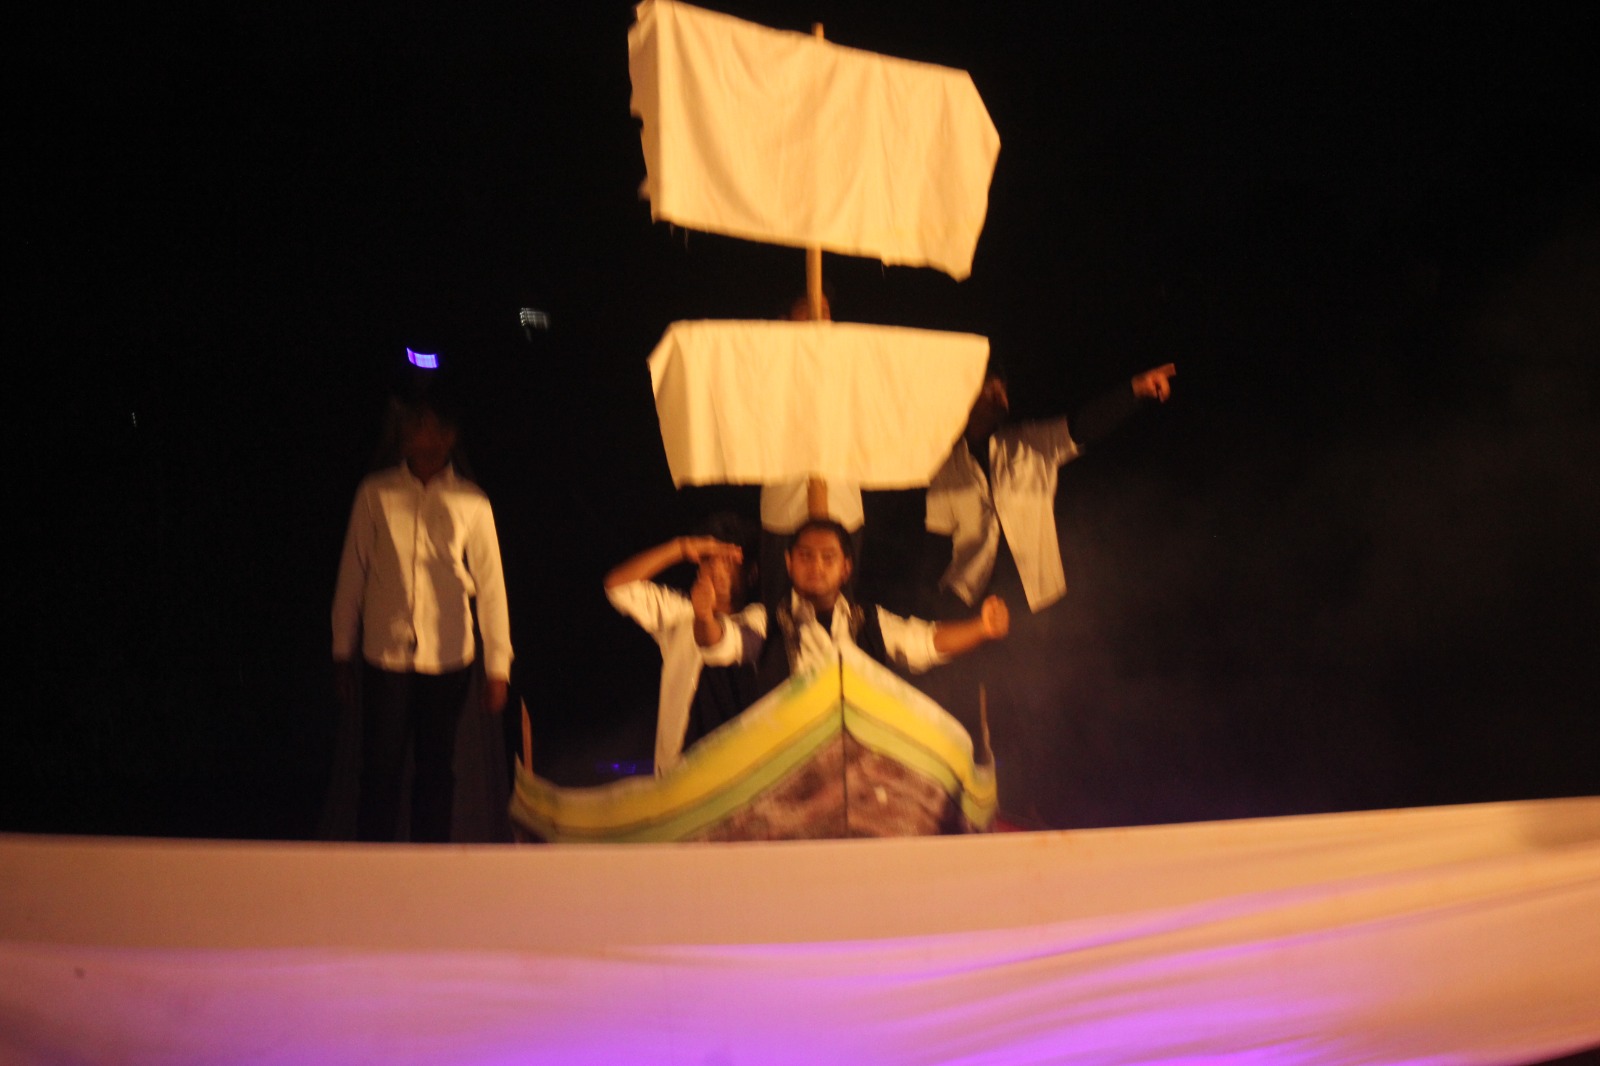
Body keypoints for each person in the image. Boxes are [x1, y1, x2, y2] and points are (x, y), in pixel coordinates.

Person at [331, 397, 512, 842]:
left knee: (436, 769)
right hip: (385, 653)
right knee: (380, 768)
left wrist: (498, 666)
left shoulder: (471, 501)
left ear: (450, 436)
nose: (426, 437)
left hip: (448, 653)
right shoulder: (376, 492)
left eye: (435, 428)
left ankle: (430, 865)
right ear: (404, 435)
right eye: (418, 427)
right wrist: (341, 649)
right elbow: (354, 571)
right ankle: (373, 864)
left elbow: (491, 586)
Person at [924, 361, 1177, 616]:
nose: (1002, 399)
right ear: (968, 393)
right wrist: (934, 600)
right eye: (992, 389)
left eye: (1004, 391)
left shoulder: (1027, 441)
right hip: (968, 600)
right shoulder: (944, 466)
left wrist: (1135, 389)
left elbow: (1081, 426)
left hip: (1035, 599)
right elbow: (936, 541)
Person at [698, 518, 1009, 692]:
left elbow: (924, 642)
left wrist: (981, 628)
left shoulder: (869, 621)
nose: (817, 566)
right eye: (806, 556)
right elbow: (726, 643)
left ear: (845, 568)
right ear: (789, 563)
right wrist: (704, 618)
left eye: (828, 557)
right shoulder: (766, 621)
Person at [604, 516, 764, 775]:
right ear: (699, 569)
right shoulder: (680, 614)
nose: (717, 569)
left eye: (728, 562)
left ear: (751, 573)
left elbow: (723, 645)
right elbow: (617, 587)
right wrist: (681, 548)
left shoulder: (760, 619)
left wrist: (704, 617)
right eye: (709, 560)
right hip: (679, 773)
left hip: (742, 770)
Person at [758, 292, 865, 604]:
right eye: (808, 310)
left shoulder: (848, 365)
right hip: (785, 510)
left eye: (825, 310)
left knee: (840, 610)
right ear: (785, 321)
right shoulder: (768, 367)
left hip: (843, 507)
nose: (819, 316)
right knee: (780, 610)